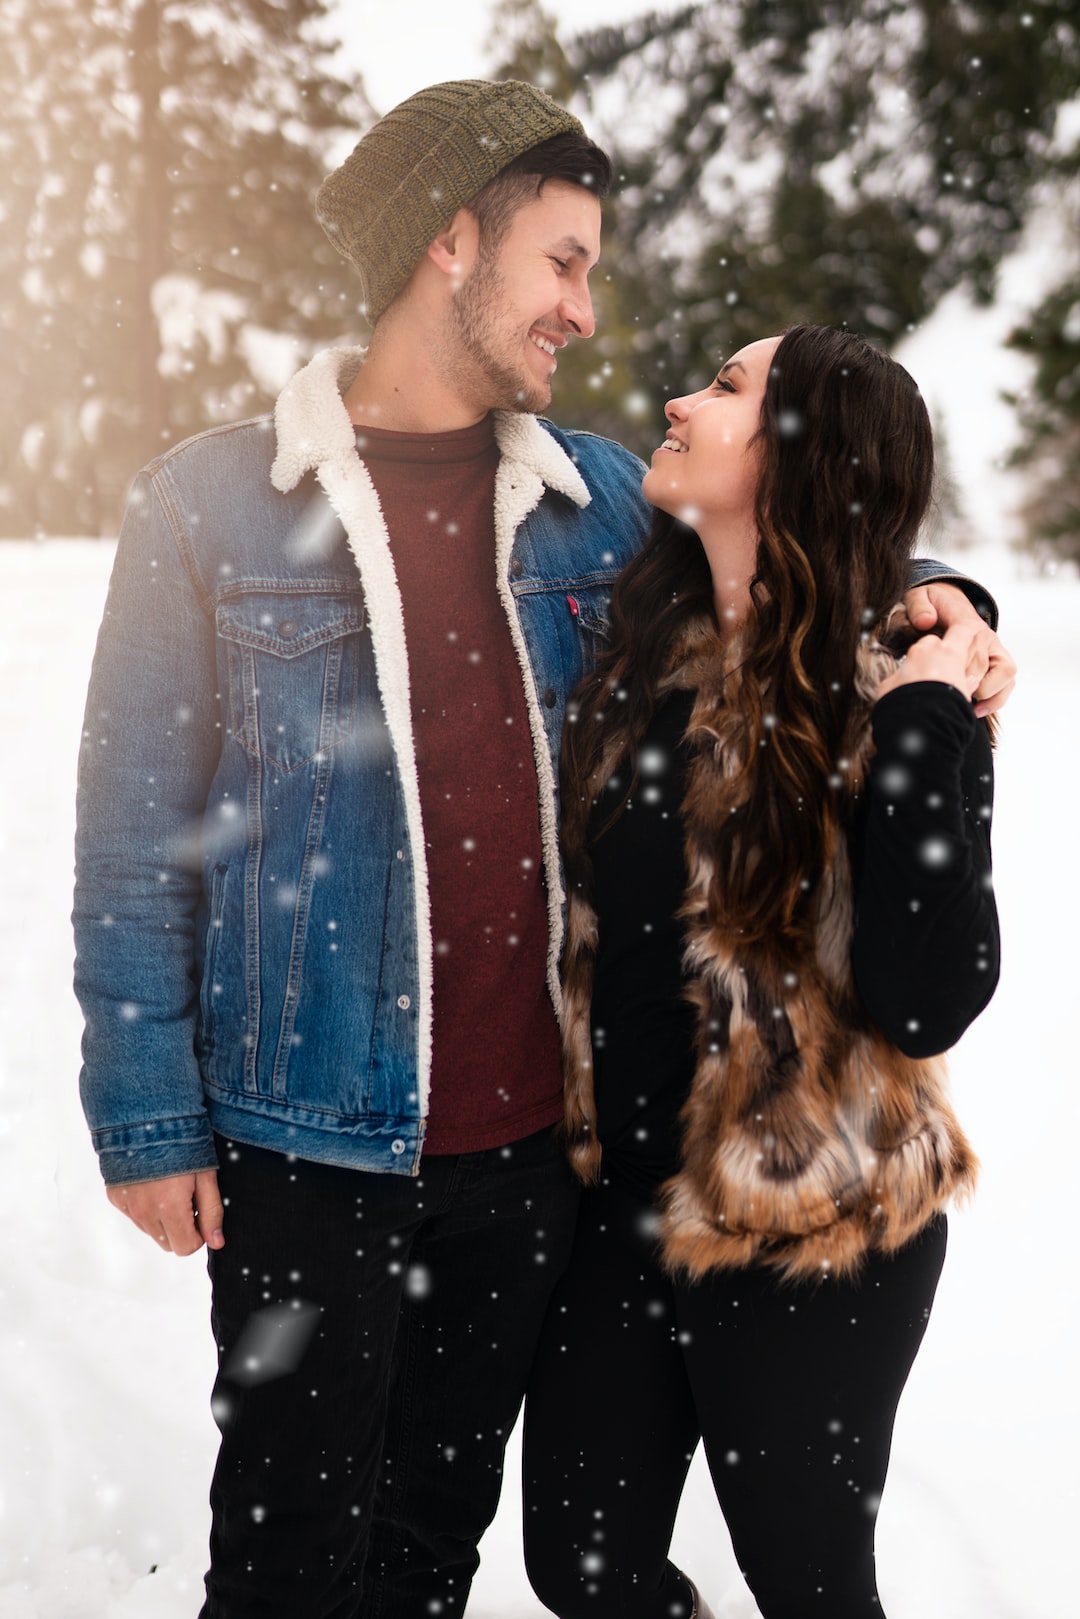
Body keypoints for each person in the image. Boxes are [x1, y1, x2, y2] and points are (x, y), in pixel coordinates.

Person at [72, 77, 1010, 1618]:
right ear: (453, 243)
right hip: (311, 1136)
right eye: (565, 261)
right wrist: (145, 1111)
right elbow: (129, 842)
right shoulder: (211, 510)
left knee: (437, 1547)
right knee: (288, 1559)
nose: (586, 306)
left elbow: (813, 530)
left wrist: (950, 607)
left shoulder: (585, 506)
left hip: (529, 1167)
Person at [521, 325, 1001, 1619]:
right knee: (579, 1564)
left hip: (814, 1224)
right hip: (625, 1210)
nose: (681, 399)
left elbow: (927, 989)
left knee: (810, 1583)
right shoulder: (643, 651)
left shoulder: (904, 695)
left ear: (802, 454)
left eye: (729, 388)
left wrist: (922, 728)